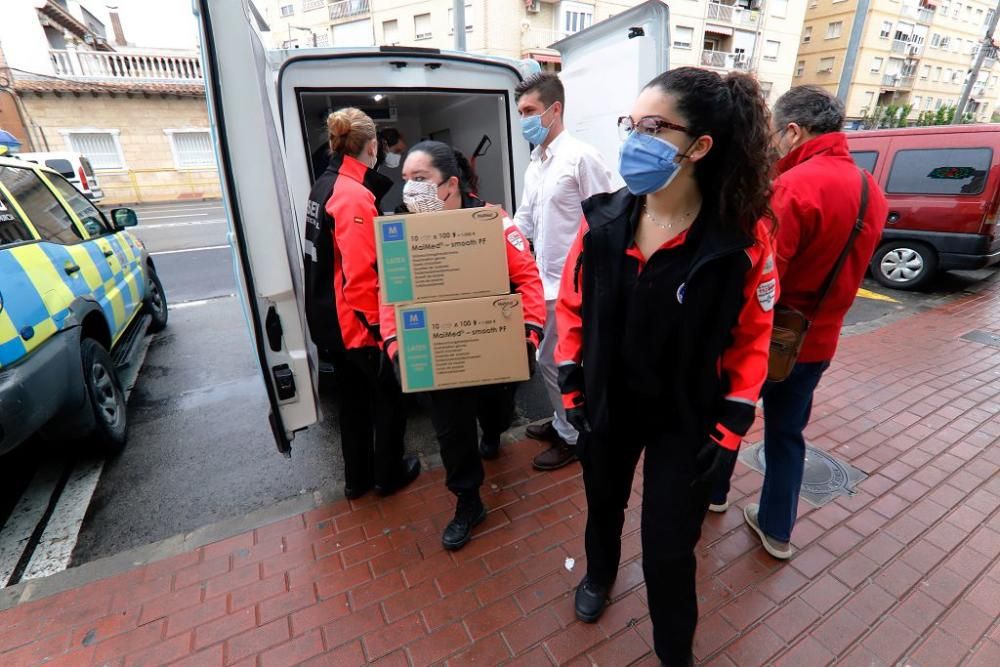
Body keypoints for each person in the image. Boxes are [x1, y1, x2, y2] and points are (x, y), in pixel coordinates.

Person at [555, 68, 777, 666]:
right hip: (609, 405)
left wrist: (731, 427)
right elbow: (574, 306)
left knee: (668, 552)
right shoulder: (602, 219)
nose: (634, 138)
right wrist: (573, 386)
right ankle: (598, 575)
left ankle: (674, 651)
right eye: (632, 124)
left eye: (653, 127)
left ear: (700, 146)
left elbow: (754, 335)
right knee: (602, 504)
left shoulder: (741, 238)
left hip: (687, 419)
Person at [710, 86, 888, 560]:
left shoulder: (794, 185)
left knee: (730, 414)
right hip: (819, 341)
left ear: (793, 131)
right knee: (787, 434)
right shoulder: (872, 190)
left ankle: (714, 492)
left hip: (768, 337)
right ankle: (777, 529)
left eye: (774, 133)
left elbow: (764, 276)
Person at [381, 141, 545, 551]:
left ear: (450, 184)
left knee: (496, 412)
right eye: (405, 180)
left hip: (491, 346)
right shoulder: (400, 231)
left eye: (420, 180)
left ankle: (492, 430)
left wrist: (528, 334)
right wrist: (395, 343)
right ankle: (468, 501)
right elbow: (390, 295)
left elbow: (527, 278)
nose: (409, 190)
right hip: (437, 350)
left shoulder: (493, 221)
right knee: (451, 432)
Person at [303, 107, 420, 501]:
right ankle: (388, 474)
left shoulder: (324, 184)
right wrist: (382, 332)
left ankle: (357, 480)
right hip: (354, 325)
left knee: (352, 407)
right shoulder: (353, 197)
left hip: (330, 322)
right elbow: (362, 276)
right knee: (388, 398)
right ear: (372, 145)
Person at [512, 72, 614, 472]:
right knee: (550, 360)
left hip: (574, 285)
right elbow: (524, 222)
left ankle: (574, 436)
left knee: (554, 362)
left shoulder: (581, 158)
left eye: (530, 111)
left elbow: (607, 218)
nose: (524, 120)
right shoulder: (536, 163)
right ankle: (561, 421)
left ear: (555, 110)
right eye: (520, 112)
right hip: (543, 283)